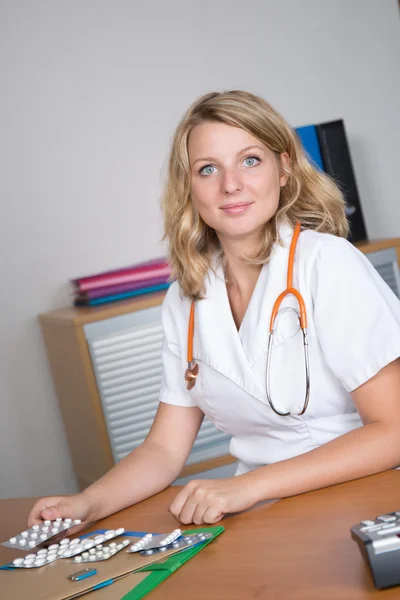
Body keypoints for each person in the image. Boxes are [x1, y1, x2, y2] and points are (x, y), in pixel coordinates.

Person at [28, 90, 400, 531]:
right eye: (208, 169)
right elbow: (164, 451)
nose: (231, 185)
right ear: (190, 187)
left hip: (364, 502)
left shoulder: (328, 264)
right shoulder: (185, 298)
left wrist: (249, 486)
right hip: (264, 516)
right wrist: (88, 503)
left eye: (249, 160)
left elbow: (392, 431)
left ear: (283, 169)